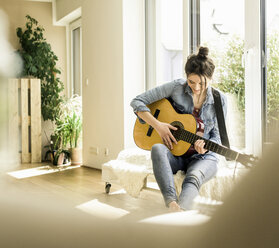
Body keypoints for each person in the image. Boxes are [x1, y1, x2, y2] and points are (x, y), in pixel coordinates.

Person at [130, 47, 227, 212]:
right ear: (186, 77)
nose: (196, 88)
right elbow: (138, 101)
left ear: (211, 78)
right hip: (175, 154)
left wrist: (204, 148)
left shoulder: (219, 100)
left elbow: (218, 138)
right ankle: (171, 202)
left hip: (203, 158)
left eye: (202, 83)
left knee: (193, 178)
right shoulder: (177, 87)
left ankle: (179, 212)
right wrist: (158, 126)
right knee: (157, 149)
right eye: (191, 82)